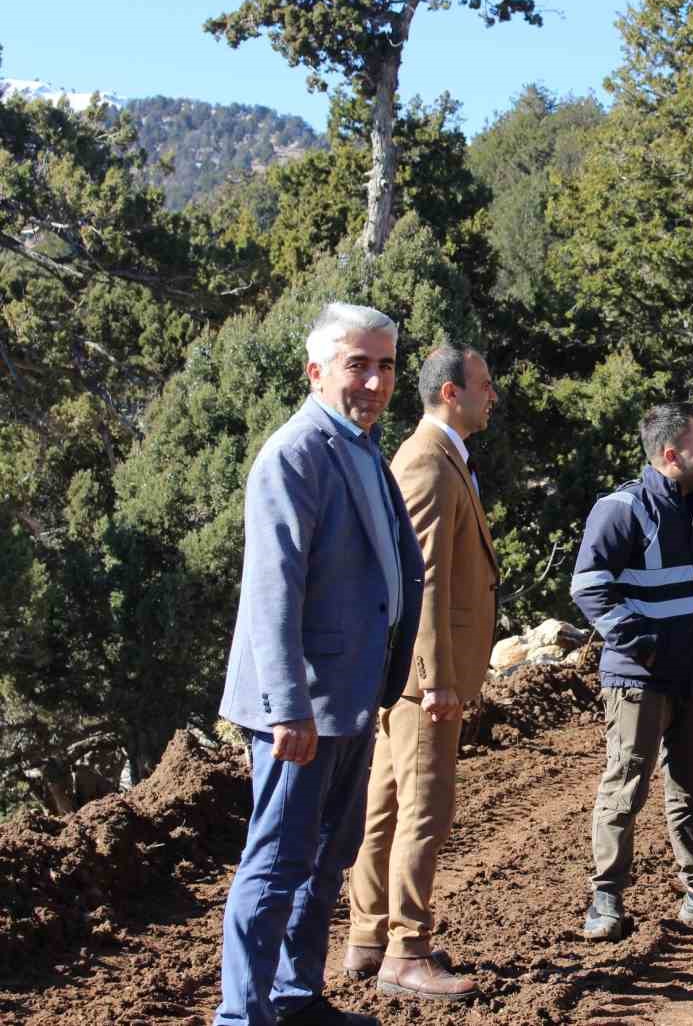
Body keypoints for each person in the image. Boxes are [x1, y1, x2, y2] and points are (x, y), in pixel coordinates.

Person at [214, 302, 423, 1026]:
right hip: (301, 705)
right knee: (275, 863)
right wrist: (285, 707)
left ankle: (296, 998)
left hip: (354, 694)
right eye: (357, 364)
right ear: (316, 372)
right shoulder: (295, 454)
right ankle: (243, 1015)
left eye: (386, 365)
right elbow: (273, 591)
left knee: (327, 860)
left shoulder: (362, 448)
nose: (373, 380)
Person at [568, 402, 693, 941]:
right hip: (639, 679)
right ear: (672, 454)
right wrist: (645, 646)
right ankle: (605, 901)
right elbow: (587, 587)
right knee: (625, 786)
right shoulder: (622, 509)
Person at [344, 345, 500, 1001]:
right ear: (449, 394)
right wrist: (436, 676)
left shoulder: (439, 459)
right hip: (424, 679)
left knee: (385, 807)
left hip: (411, 674)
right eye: (485, 385)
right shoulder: (430, 464)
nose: (493, 396)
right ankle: (407, 951)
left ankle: (366, 938)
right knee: (424, 810)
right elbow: (424, 578)